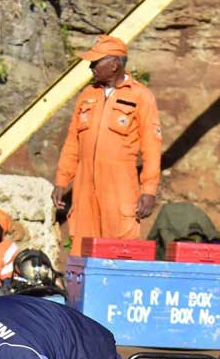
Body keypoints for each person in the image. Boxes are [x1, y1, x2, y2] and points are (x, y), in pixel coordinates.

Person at [52, 35, 161, 252]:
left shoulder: (141, 96)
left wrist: (148, 190)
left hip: (119, 187)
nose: (91, 67)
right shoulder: (87, 95)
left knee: (119, 250)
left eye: (96, 62)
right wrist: (61, 181)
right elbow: (72, 142)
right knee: (83, 249)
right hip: (84, 187)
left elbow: (152, 148)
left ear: (114, 65)